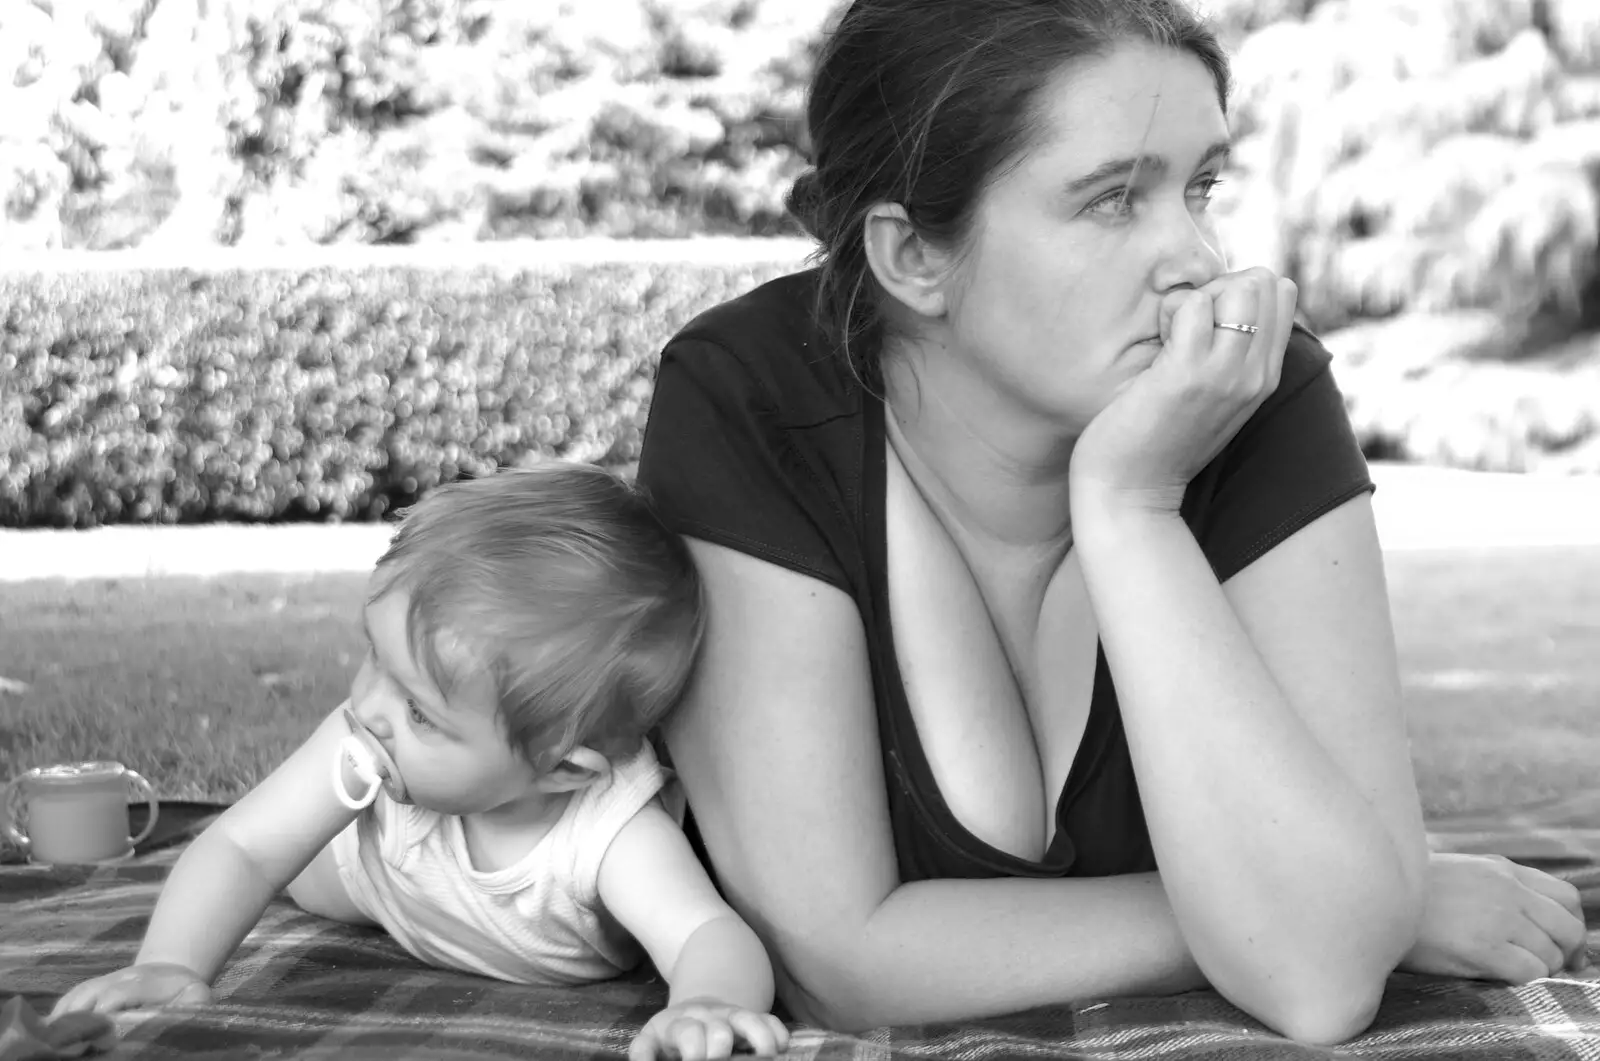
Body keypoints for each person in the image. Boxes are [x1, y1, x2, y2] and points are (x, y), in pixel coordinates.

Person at [634, 0, 1590, 1046]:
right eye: (1110, 200)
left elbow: (1318, 986)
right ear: (912, 256)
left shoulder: (1254, 393)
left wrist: (1130, 505)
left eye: (1200, 188)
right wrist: (1359, 903)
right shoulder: (751, 401)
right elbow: (839, 961)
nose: (1193, 256)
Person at [51, 464, 790, 1061]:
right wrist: (173, 964)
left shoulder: (608, 830)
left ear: (563, 768)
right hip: (356, 878)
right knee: (281, 842)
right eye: (374, 655)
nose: (369, 706)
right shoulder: (363, 746)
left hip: (440, 887)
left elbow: (708, 935)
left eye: (420, 711)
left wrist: (705, 1006)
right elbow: (242, 848)